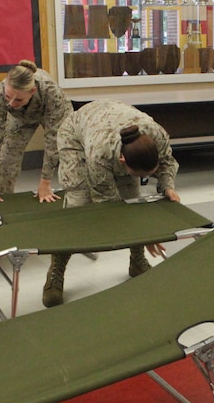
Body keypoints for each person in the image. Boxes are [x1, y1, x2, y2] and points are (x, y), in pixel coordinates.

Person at [43, 99, 180, 307]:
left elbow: (168, 161)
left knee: (133, 198)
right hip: (77, 136)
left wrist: (168, 185)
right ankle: (56, 273)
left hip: (110, 122)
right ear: (123, 162)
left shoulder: (156, 135)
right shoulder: (100, 153)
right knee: (77, 207)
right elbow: (110, 207)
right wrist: (147, 236)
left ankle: (137, 261)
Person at [0, 60, 73, 207]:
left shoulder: (52, 93)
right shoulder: (0, 93)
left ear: (32, 91)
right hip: (21, 116)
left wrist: (45, 181)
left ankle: (76, 198)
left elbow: (54, 139)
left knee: (69, 151)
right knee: (7, 157)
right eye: (8, 97)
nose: (11, 103)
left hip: (53, 113)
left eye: (18, 99)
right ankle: (2, 201)